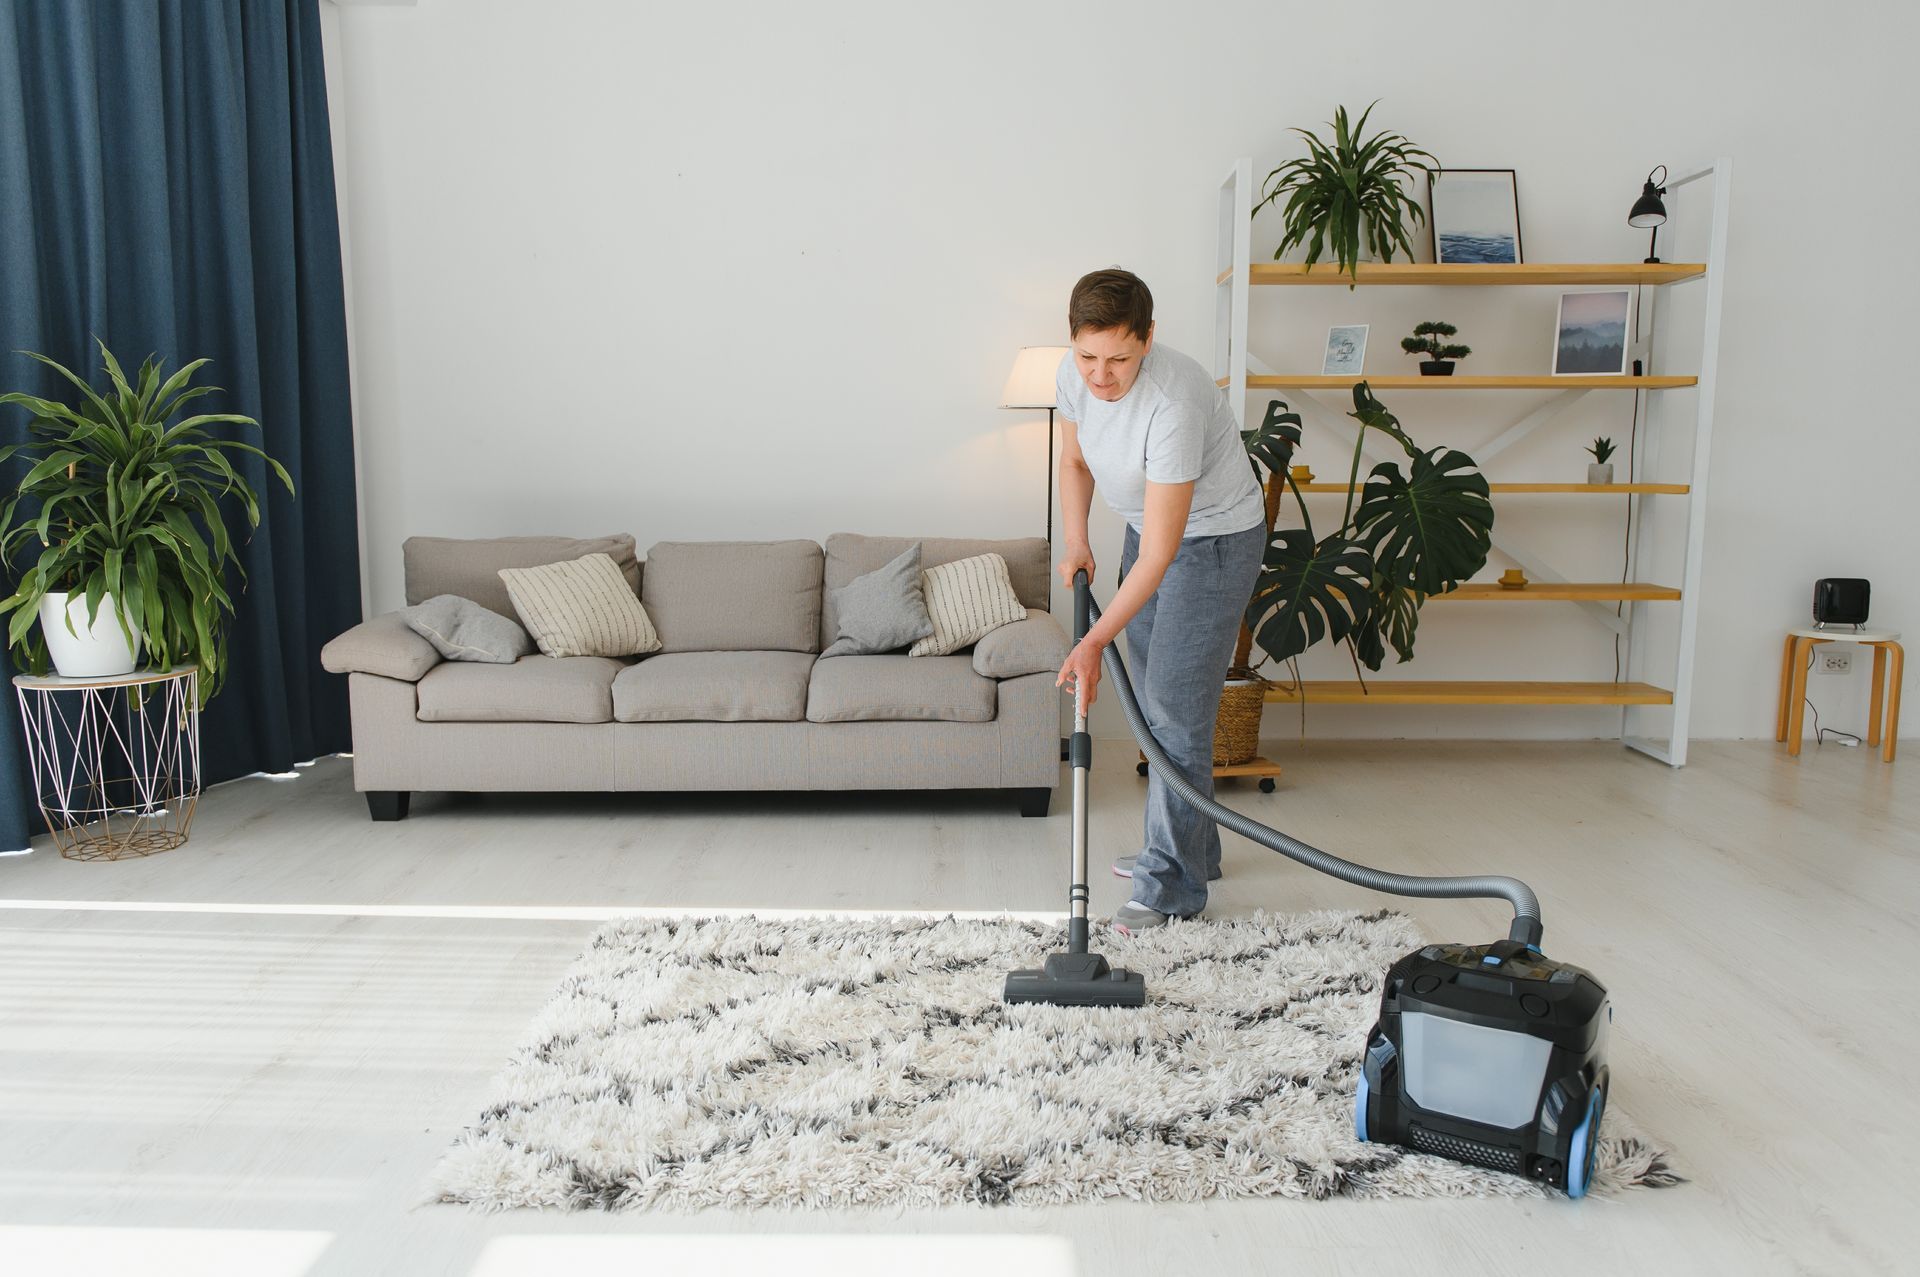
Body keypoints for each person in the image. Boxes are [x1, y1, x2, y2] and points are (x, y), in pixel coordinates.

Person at [1051, 268, 1267, 934]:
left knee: (1174, 710)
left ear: (1147, 339)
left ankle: (1172, 883)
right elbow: (1076, 459)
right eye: (1089, 356)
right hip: (1151, 534)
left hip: (1214, 541)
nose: (1100, 374)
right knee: (1154, 700)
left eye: (1118, 357)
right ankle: (1194, 848)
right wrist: (1080, 539)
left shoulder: (1173, 400)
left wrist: (1091, 641)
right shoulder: (1072, 372)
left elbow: (1162, 556)